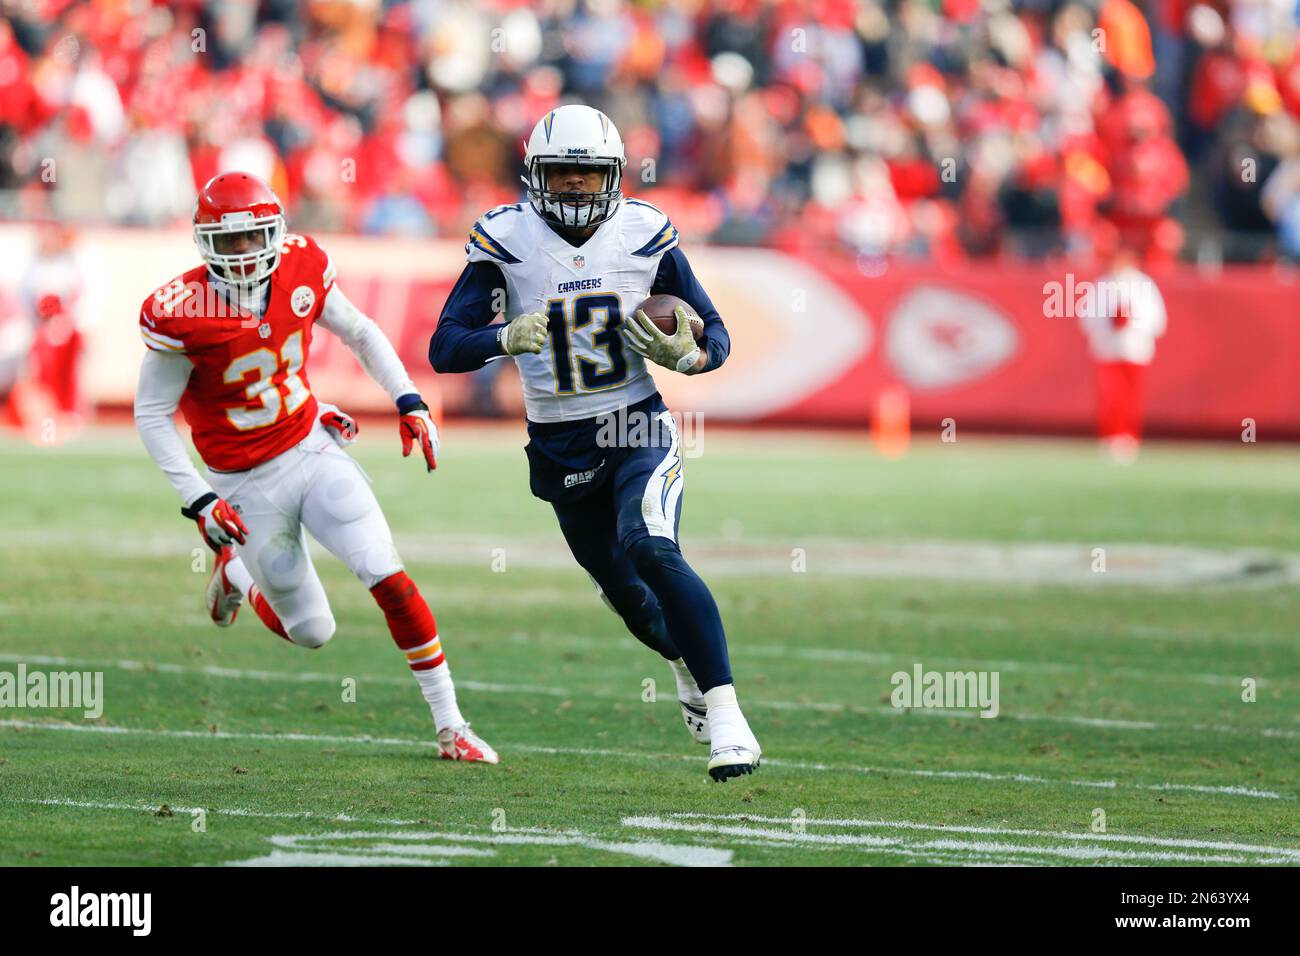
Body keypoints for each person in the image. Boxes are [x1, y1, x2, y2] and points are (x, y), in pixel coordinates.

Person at [429, 105, 761, 781]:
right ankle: (684, 667)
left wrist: (686, 356)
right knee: (629, 599)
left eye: (589, 174)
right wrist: (501, 337)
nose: (577, 187)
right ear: (534, 174)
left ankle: (731, 721)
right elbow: (443, 348)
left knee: (649, 543)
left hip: (636, 422)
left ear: (613, 175)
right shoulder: (507, 239)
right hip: (558, 445)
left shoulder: (643, 232)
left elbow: (717, 337)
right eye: (563, 173)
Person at [133, 171, 497, 763]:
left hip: (310, 447)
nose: (246, 254)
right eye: (231, 243)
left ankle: (450, 724)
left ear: (277, 233)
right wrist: (199, 499)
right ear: (204, 244)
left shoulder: (303, 265)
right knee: (313, 631)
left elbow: (360, 331)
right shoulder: (182, 309)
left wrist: (408, 399)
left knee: (389, 576)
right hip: (243, 481)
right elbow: (152, 415)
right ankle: (237, 577)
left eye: (255, 238)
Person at [1078, 244, 1166, 462]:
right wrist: (1110, 323)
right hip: (1108, 349)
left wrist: (1130, 322)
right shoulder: (1102, 285)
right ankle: (1109, 436)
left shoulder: (1144, 285)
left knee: (1131, 396)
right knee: (1109, 395)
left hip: (1135, 349)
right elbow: (1088, 318)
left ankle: (1129, 436)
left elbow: (1156, 320)